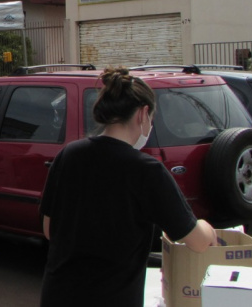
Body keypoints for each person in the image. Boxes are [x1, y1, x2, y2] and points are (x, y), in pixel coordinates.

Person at [39, 67, 217, 306]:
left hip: (59, 295)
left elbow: (50, 229)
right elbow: (196, 241)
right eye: (152, 119)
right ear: (143, 114)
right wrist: (205, 227)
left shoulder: (68, 155)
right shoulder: (146, 170)